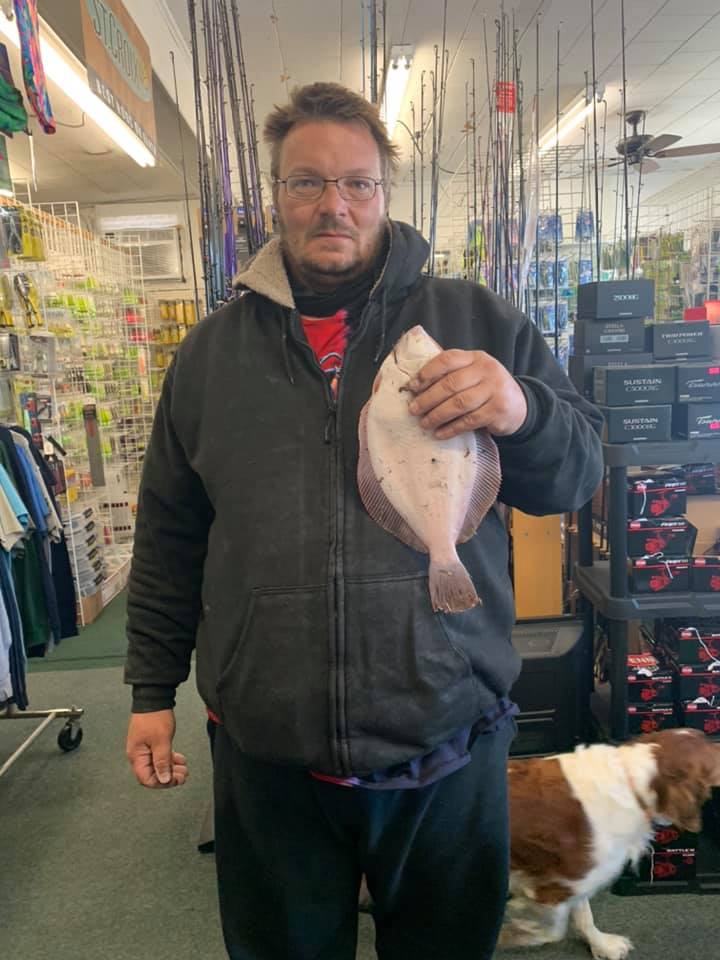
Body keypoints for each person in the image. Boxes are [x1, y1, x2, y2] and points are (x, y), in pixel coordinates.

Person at [125, 82, 603, 960]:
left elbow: (578, 474)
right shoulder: (207, 357)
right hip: (268, 760)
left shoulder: (476, 318)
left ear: (386, 193)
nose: (333, 205)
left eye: (358, 183)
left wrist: (522, 408)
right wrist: (150, 690)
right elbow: (168, 534)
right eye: (306, 183)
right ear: (274, 197)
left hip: (448, 745)